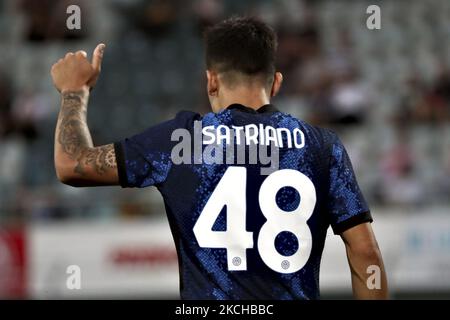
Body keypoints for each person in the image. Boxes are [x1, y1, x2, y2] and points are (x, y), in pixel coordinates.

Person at [50, 16, 388, 299]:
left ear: (211, 81)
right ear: (276, 83)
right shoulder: (321, 146)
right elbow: (366, 254)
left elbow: (71, 164)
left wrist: (74, 93)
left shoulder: (181, 139)